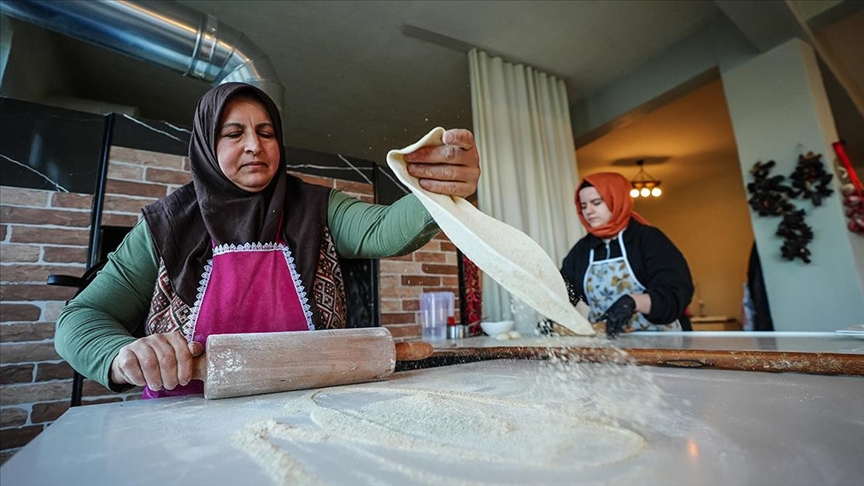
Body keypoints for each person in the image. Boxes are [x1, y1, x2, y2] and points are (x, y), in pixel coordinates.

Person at [54, 82, 480, 397]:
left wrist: (437, 187)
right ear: (206, 143)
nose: (255, 146)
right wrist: (122, 356)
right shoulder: (165, 226)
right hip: (182, 424)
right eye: (234, 133)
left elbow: (384, 231)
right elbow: (80, 319)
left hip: (312, 408)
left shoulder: (315, 207)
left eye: (267, 132)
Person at [560, 173, 693, 338]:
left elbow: (676, 290)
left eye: (596, 203)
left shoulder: (648, 239)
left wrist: (633, 301)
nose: (589, 211)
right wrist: (552, 315)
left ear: (616, 199)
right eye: (583, 206)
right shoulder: (582, 250)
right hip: (607, 345)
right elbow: (565, 291)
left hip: (661, 340)